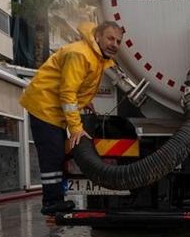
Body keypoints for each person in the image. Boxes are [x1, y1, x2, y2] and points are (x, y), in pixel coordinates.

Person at [19, 21, 123, 214]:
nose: (114, 44)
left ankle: (54, 198)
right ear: (97, 36)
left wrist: (85, 102)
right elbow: (67, 94)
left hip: (53, 108)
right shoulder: (80, 54)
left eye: (118, 41)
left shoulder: (96, 56)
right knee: (53, 155)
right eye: (110, 38)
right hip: (45, 107)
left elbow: (77, 86)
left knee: (56, 154)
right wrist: (76, 128)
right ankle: (51, 202)